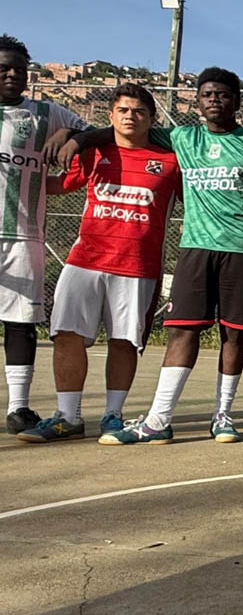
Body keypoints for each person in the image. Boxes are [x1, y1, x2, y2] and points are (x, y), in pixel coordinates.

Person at [80, 67, 243, 445]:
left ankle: (223, 415)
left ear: (236, 101)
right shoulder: (182, 137)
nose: (214, 100)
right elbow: (127, 131)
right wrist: (80, 140)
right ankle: (159, 419)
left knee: (234, 335)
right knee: (182, 331)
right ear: (198, 101)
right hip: (196, 249)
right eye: (206, 95)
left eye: (221, 94)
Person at [17, 84, 178, 442]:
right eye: (123, 110)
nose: (130, 117)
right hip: (85, 260)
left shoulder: (170, 160)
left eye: (138, 111)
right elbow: (58, 186)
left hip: (137, 266)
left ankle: (112, 416)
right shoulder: (94, 152)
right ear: (111, 116)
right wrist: (21, 168)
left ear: (152, 119)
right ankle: (67, 416)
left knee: (124, 341)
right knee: (66, 334)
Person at [0, 35, 87, 435]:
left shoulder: (44, 112)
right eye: (5, 67)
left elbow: (99, 133)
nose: (14, 74)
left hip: (22, 234)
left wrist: (70, 136)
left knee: (21, 321)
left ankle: (19, 407)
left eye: (20, 68)